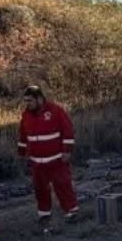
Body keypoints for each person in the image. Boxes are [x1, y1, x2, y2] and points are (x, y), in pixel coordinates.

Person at [17, 85, 78, 224]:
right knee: (40, 189)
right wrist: (21, 153)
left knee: (62, 184)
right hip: (37, 162)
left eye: (30, 101)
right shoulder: (26, 115)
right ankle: (44, 214)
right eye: (26, 101)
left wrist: (67, 150)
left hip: (56, 158)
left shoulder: (55, 111)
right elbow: (23, 135)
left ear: (39, 99)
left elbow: (67, 130)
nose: (28, 104)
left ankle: (71, 210)